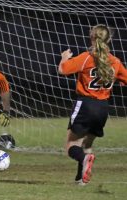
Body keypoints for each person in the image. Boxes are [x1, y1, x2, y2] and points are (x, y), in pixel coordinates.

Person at [58, 24, 127, 185]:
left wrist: (64, 57)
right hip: (103, 108)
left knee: (70, 146)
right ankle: (81, 179)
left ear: (91, 38)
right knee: (87, 144)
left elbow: (62, 70)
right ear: (108, 39)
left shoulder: (86, 58)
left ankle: (84, 159)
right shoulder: (115, 61)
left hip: (85, 104)